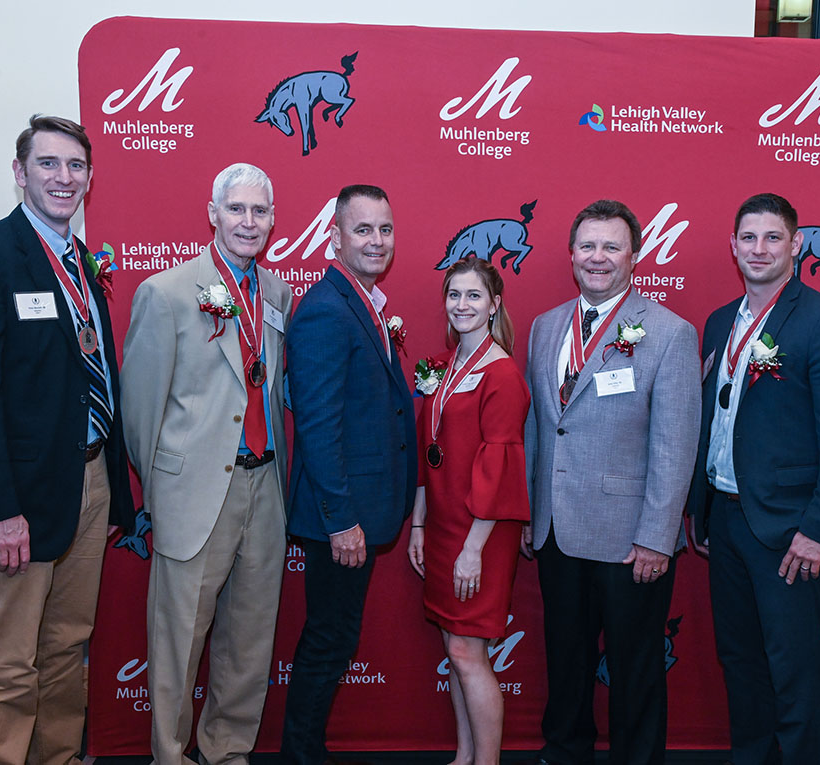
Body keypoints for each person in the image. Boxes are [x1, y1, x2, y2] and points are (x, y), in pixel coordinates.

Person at [0, 114, 135, 764]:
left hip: (89, 482)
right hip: (17, 497)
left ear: (90, 178)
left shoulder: (81, 264)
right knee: (7, 660)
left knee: (64, 647)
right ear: (20, 173)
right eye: (48, 163)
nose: (63, 176)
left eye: (75, 165)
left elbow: (89, 374)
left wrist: (110, 485)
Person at [688, 193, 820, 765]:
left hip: (792, 530)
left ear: (796, 245)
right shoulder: (721, 322)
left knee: (792, 666)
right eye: (748, 238)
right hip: (728, 517)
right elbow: (714, 418)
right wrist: (701, 507)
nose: (759, 249)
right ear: (733, 246)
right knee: (740, 659)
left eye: (773, 238)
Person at [120, 163, 292, 765]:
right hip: (194, 494)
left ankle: (226, 751)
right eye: (237, 209)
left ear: (273, 220)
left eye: (260, 211)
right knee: (177, 642)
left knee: (249, 638)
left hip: (264, 486)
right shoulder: (165, 293)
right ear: (213, 213)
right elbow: (139, 414)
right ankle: (170, 755)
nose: (249, 222)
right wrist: (166, 486)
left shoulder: (275, 293)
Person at [522, 199, 700, 765]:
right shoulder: (546, 327)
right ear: (572, 254)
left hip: (630, 540)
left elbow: (676, 446)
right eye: (587, 246)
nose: (598, 258)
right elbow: (538, 429)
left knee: (636, 668)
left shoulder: (669, 334)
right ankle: (565, 751)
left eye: (611, 246)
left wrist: (655, 536)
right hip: (556, 530)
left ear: (635, 255)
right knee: (566, 661)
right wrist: (530, 512)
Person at [280, 184, 417, 765]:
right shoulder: (324, 310)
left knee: (334, 641)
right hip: (340, 517)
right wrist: (340, 522)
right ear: (334, 237)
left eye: (384, 229)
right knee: (328, 643)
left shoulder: (365, 304)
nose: (376, 241)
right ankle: (302, 756)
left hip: (358, 511)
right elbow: (317, 426)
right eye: (362, 229)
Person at [407, 258, 530, 765]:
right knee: (455, 650)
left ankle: (487, 762)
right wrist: (418, 523)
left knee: (467, 652)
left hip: (482, 532)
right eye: (454, 295)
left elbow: (499, 470)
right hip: (440, 527)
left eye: (474, 296)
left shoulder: (501, 374)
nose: (462, 305)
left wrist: (473, 550)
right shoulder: (441, 364)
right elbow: (427, 449)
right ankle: (463, 756)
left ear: (494, 303)